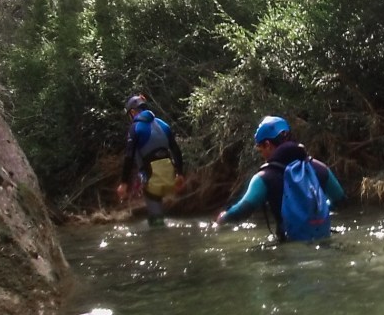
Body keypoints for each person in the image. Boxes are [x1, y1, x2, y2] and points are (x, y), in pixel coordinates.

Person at [215, 115, 345, 240]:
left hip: (290, 250)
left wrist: (223, 218)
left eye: (260, 149)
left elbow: (243, 210)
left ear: (267, 144)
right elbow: (340, 199)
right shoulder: (319, 168)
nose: (262, 155)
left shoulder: (264, 178)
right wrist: (315, 209)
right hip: (323, 240)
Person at [117, 94, 184, 226]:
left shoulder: (135, 128)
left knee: (156, 222)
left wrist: (124, 183)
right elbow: (176, 151)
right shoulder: (164, 125)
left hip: (151, 178)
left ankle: (158, 231)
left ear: (132, 112)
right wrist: (180, 174)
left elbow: (129, 157)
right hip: (170, 177)